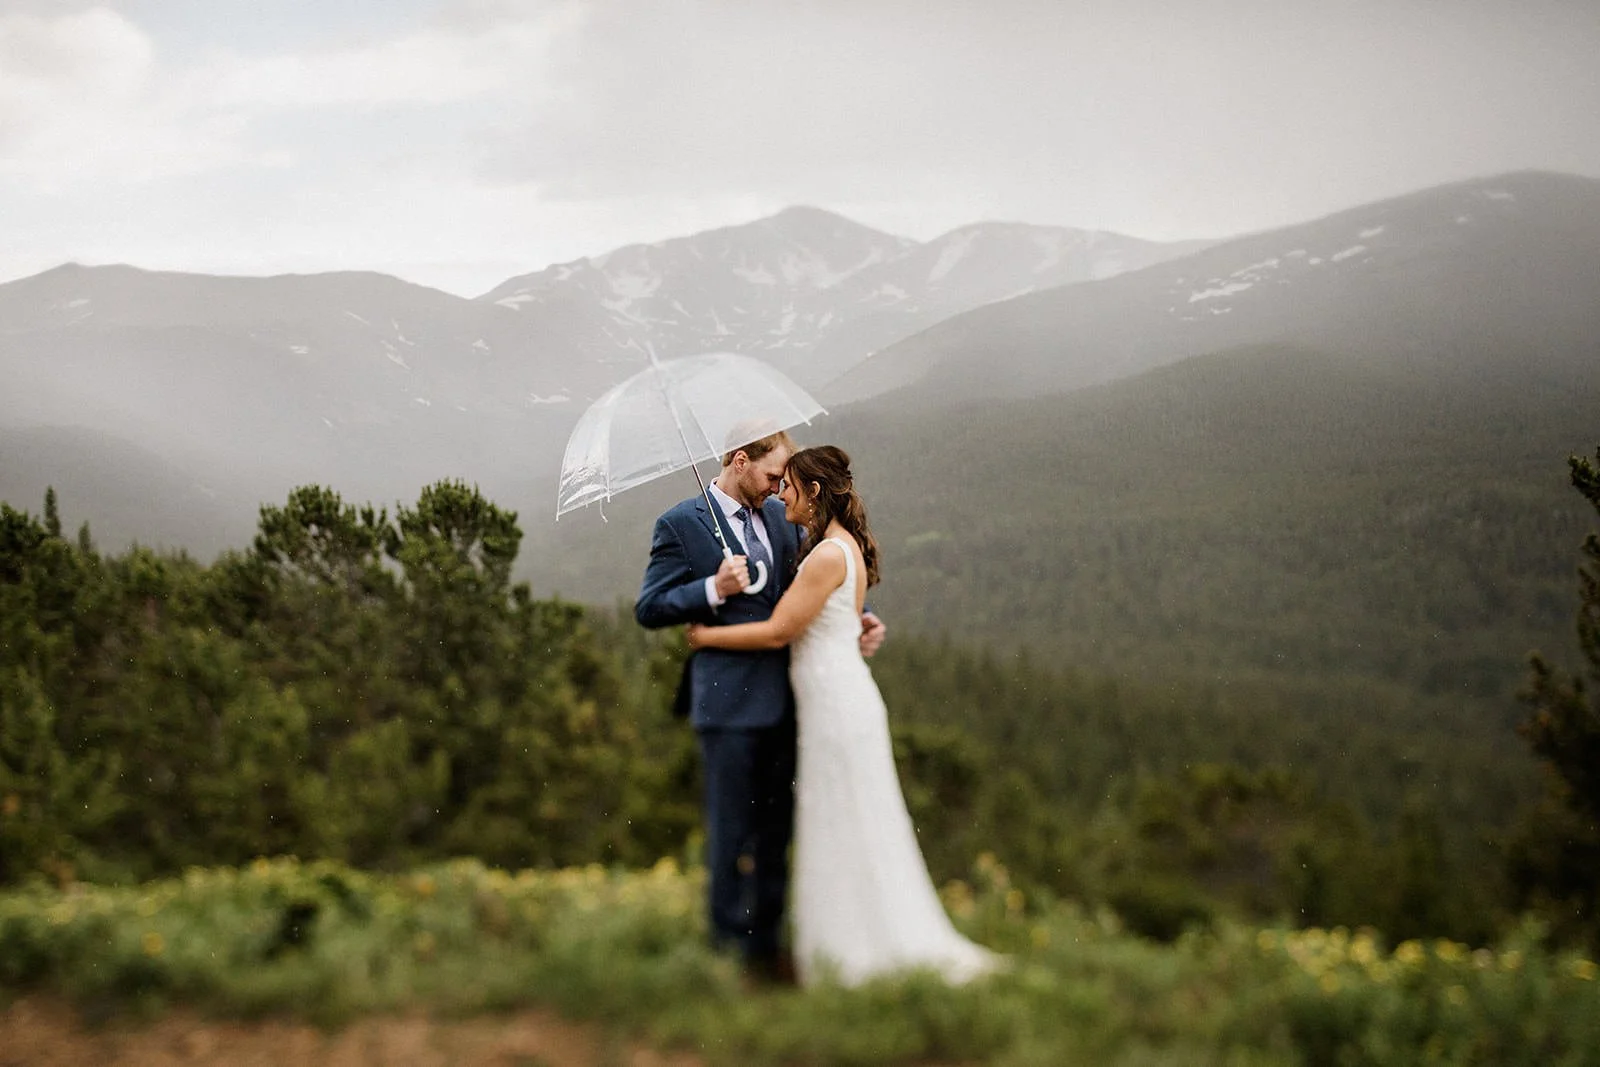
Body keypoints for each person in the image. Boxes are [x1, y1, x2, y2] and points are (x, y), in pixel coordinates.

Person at [687, 445, 1000, 988]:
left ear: (811, 492)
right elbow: (838, 621)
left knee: (844, 820)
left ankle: (855, 952)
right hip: (840, 702)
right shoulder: (837, 546)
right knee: (849, 821)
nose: (780, 492)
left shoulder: (829, 554)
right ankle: (853, 941)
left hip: (835, 707)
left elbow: (781, 629)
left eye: (788, 485)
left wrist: (706, 635)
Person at [635, 430, 885, 984]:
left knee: (777, 832)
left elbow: (809, 590)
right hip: (726, 706)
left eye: (784, 482)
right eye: (773, 476)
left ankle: (767, 950)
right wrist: (712, 589)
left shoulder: (778, 519)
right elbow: (650, 607)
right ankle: (727, 951)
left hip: (794, 701)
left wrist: (852, 618)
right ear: (739, 460)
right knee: (730, 830)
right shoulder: (680, 524)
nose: (779, 489)